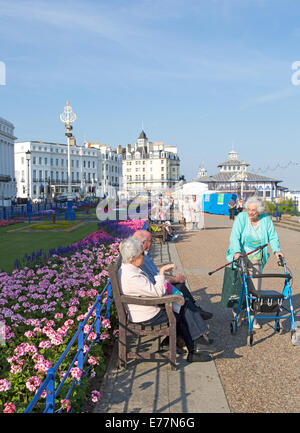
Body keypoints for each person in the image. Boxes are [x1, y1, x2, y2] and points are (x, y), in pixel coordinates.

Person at [118, 237, 216, 362]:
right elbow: (158, 293)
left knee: (181, 305)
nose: (144, 255)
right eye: (142, 253)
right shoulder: (132, 276)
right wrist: (162, 272)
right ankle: (196, 344)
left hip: (145, 310)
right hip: (146, 317)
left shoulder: (129, 268)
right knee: (182, 309)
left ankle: (195, 344)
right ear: (133, 258)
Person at [226, 195, 283, 328]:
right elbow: (235, 236)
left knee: (255, 290)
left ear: (260, 211)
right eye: (249, 209)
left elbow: (273, 237)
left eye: (254, 210)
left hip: (257, 259)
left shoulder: (266, 220)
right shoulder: (241, 218)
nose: (251, 212)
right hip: (240, 258)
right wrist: (236, 252)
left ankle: (253, 318)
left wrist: (276, 251)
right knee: (239, 289)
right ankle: (238, 315)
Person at [133, 230, 213, 321]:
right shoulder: (139, 261)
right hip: (155, 297)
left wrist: (171, 277)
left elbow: (155, 275)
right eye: (151, 241)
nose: (152, 243)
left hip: (157, 287)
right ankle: (194, 314)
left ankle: (195, 311)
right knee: (180, 291)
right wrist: (174, 279)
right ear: (143, 243)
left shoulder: (142, 257)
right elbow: (154, 282)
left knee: (180, 287)